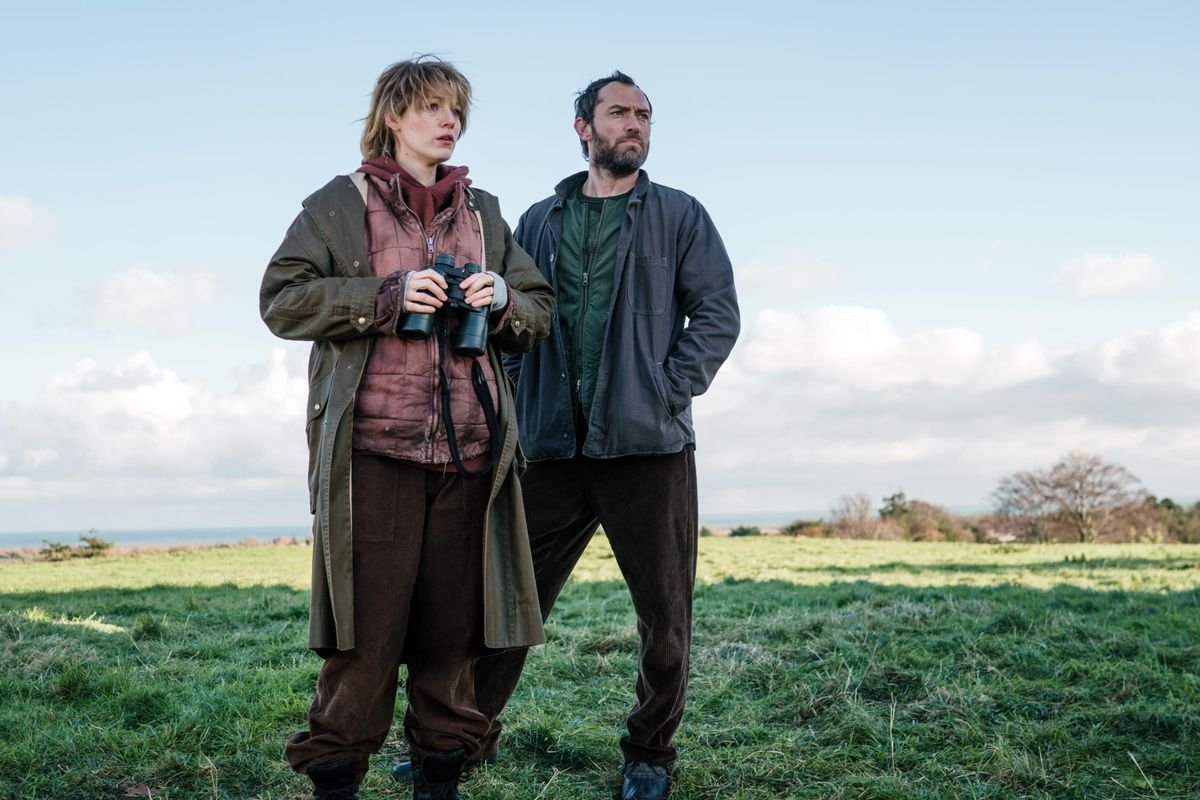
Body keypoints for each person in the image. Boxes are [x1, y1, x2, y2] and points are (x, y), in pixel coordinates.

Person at [393, 70, 740, 799]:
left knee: (665, 618)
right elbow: (510, 321)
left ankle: (649, 755)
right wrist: (513, 403)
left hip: (649, 449)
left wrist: (667, 388)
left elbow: (716, 314)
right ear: (583, 128)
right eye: (618, 113)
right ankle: (465, 737)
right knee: (508, 606)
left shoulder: (680, 215)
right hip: (548, 448)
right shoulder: (539, 220)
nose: (635, 125)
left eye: (644, 114)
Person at [260, 56, 553, 800]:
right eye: (431, 107)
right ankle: (335, 781)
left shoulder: (483, 212)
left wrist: (500, 300)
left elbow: (538, 312)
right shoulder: (339, 203)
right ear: (394, 116)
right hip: (374, 454)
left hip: (470, 456)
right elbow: (282, 300)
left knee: (451, 639)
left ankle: (440, 781)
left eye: (455, 109)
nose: (448, 121)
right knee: (364, 636)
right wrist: (387, 295)